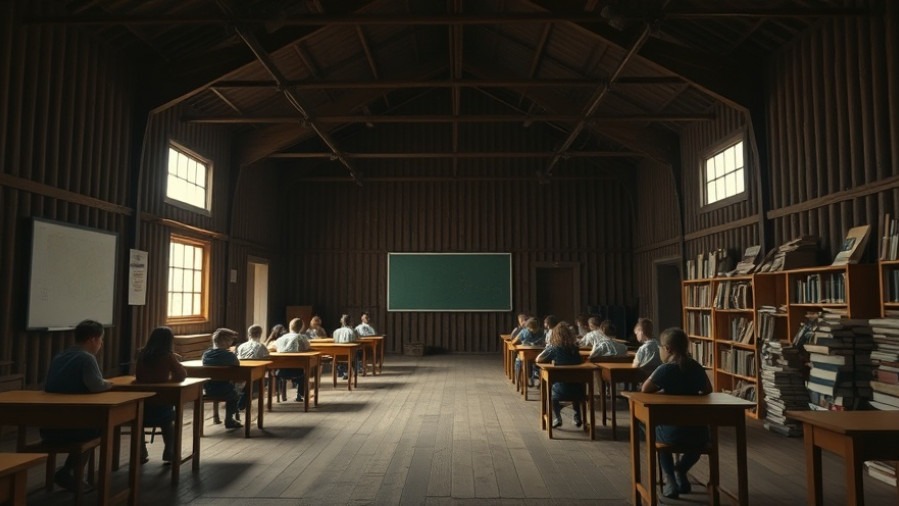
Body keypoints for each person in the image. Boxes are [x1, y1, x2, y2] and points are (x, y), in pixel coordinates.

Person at [641, 327, 713, 499]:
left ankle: (670, 478)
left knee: (655, 430)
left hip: (672, 433)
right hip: (699, 433)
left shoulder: (665, 369)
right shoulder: (696, 367)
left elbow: (645, 389)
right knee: (698, 441)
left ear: (668, 349)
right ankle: (681, 468)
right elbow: (708, 390)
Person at [41, 319, 112, 492]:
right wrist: (110, 384)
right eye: (101, 340)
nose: (101, 345)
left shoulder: (60, 356)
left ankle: (69, 472)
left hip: (48, 426)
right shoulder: (86, 358)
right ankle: (70, 471)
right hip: (75, 427)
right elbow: (96, 386)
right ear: (92, 339)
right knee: (104, 425)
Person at [134, 326, 187, 464]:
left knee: (139, 420)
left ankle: (140, 451)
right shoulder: (167, 356)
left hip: (141, 402)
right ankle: (169, 451)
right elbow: (181, 375)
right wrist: (169, 379)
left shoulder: (141, 354)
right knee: (168, 420)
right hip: (161, 400)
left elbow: (138, 375)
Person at [535, 321, 585, 428]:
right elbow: (580, 362)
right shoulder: (575, 349)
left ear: (555, 335)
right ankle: (577, 417)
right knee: (574, 387)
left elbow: (538, 359)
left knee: (552, 393)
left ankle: (557, 418)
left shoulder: (554, 348)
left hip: (560, 390)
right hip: (579, 390)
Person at [201, 328, 242, 429]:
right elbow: (237, 366)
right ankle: (229, 419)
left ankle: (216, 417)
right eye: (231, 340)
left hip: (208, 389)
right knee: (238, 390)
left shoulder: (206, 355)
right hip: (226, 390)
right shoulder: (230, 356)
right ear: (226, 342)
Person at [267, 318, 310, 401]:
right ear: (301, 328)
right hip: (298, 371)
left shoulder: (282, 338)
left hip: (281, 371)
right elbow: (307, 348)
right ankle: (300, 395)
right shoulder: (302, 338)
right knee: (305, 371)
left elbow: (270, 347)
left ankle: (272, 400)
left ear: (290, 327)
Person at [511, 317, 545, 386]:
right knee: (536, 362)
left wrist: (520, 343)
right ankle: (536, 377)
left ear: (528, 327)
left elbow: (514, 342)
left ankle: (525, 378)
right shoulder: (542, 331)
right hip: (540, 355)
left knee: (519, 361)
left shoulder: (524, 331)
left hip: (526, 355)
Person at [333, 314, 362, 379]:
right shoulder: (353, 331)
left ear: (341, 322)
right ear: (350, 322)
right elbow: (357, 341)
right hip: (350, 354)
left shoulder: (336, 331)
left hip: (338, 354)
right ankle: (354, 370)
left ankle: (341, 371)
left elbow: (335, 341)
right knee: (357, 352)